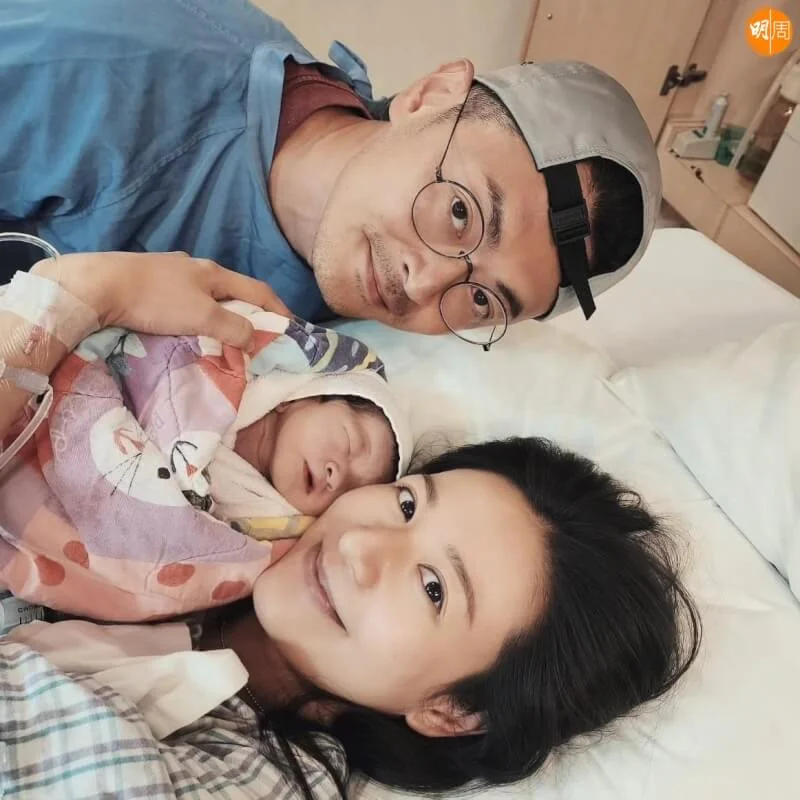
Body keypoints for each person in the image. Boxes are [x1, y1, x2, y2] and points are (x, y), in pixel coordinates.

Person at [0, 251, 700, 799]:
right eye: (406, 505)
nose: (361, 544)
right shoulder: (195, 534)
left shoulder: (251, 776)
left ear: (450, 712)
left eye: (433, 588)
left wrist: (78, 293)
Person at [0, 0, 661, 348]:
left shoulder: (343, 358)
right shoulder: (116, 56)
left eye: (483, 299)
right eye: (461, 212)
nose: (423, 285)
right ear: (429, 95)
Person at [0, 287, 411, 621]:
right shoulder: (219, 358)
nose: (337, 475)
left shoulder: (257, 538)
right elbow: (151, 339)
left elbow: (179, 565)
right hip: (43, 400)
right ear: (309, 395)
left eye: (350, 488)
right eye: (351, 441)